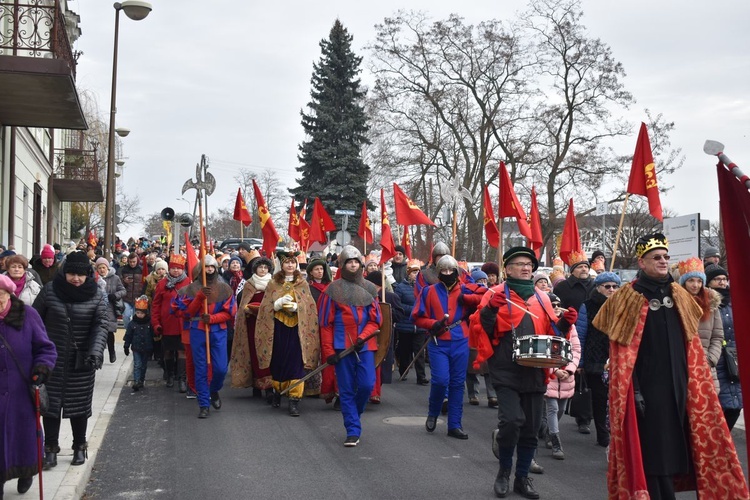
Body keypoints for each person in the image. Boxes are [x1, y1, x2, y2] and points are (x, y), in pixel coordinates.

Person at [593, 233, 748, 499]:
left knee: (679, 446)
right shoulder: (626, 297)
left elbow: (693, 345)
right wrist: (636, 390)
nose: (663, 261)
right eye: (656, 258)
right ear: (642, 263)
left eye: (666, 257)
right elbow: (623, 356)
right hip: (647, 388)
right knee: (655, 450)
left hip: (681, 384)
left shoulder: (680, 294)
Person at [470, 246, 576, 499]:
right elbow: (480, 328)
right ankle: (504, 472)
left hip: (536, 370)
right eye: (519, 264)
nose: (525, 267)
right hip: (506, 367)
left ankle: (522, 477)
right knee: (511, 421)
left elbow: (552, 334)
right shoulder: (495, 293)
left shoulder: (542, 298)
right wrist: (490, 310)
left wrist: (565, 323)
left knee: (530, 430)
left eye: (529, 264)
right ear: (507, 268)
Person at [32, 250, 108, 468]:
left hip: (81, 359)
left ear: (88, 275)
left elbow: (101, 325)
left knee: (79, 406)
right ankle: (51, 450)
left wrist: (96, 351)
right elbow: (34, 322)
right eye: (72, 274)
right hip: (51, 359)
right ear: (64, 272)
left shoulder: (97, 295)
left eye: (81, 274)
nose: (76, 278)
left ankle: (79, 447)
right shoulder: (49, 291)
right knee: (50, 406)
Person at [319, 246, 382, 446]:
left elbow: (376, 320)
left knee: (366, 385)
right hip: (341, 346)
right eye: (349, 261)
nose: (353, 264)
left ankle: (354, 413)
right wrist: (329, 352)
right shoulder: (333, 290)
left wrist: (363, 337)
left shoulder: (370, 289)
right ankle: (352, 429)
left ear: (361, 264)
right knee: (346, 389)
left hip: (365, 345)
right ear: (343, 264)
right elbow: (325, 324)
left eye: (356, 261)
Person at [0, 274, 57, 497]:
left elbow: (46, 348)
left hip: (21, 390)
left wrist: (41, 369)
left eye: (1, 295)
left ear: (9, 294)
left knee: (24, 436)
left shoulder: (27, 315)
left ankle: (27, 471)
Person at [413, 255, 478, 440]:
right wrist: (431, 323)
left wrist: (472, 299)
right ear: (438, 272)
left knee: (458, 384)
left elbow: (485, 298)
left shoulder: (466, 290)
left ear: (457, 272)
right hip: (438, 341)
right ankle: (433, 412)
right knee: (441, 380)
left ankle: (455, 425)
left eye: (451, 270)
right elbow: (417, 317)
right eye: (444, 270)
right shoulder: (428, 291)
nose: (448, 273)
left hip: (461, 340)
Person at [255, 251, 319, 416]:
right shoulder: (273, 284)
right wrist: (276, 305)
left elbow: (310, 306)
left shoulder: (302, 283)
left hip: (297, 329)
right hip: (278, 328)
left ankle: (294, 399)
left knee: (295, 362)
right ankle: (278, 391)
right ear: (281, 265)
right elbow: (264, 307)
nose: (290, 265)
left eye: (292, 262)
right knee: (279, 360)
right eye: (287, 262)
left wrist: (299, 308)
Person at [174, 255, 236, 418]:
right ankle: (203, 404)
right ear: (200, 269)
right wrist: (200, 297)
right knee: (200, 368)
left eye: (212, 267)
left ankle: (214, 390)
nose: (209, 270)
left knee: (221, 369)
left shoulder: (224, 289)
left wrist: (213, 318)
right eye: (206, 267)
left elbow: (230, 312)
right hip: (197, 330)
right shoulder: (189, 290)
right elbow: (184, 313)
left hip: (218, 331)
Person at [574, 271, 620, 449]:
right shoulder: (588, 305)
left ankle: (616, 434)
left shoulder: (623, 305)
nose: (611, 289)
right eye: (607, 286)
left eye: (615, 286)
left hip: (617, 358)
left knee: (616, 399)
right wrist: (580, 361)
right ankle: (602, 434)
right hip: (596, 358)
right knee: (600, 399)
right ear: (599, 288)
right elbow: (581, 334)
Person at [552, 250, 594, 435]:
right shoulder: (563, 288)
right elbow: (554, 306)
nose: (584, 269)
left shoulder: (594, 286)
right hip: (565, 333)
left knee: (584, 381)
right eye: (581, 267)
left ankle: (583, 418)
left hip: (589, 334)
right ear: (573, 270)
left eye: (586, 266)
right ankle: (553, 415)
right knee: (566, 376)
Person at [677, 257, 723, 395]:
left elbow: (717, 336)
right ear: (684, 282)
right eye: (691, 280)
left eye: (699, 281)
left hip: (705, 365)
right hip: (682, 364)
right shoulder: (676, 304)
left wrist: (710, 359)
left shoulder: (711, 305)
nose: (695, 285)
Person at [230, 256, 274, 400]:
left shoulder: (274, 284)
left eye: (265, 267)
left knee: (268, 353)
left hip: (269, 325)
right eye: (260, 267)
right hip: (252, 324)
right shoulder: (248, 285)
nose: (262, 270)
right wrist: (247, 310)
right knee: (254, 353)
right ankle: (256, 384)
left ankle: (269, 386)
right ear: (255, 269)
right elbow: (242, 304)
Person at [705, 263, 742, 430]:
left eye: (724, 279)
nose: (722, 283)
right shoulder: (707, 303)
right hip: (716, 360)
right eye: (717, 279)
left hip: (734, 361)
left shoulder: (735, 302)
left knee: (735, 405)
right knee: (718, 407)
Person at [364, 270, 405, 403]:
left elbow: (399, 315)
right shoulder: (362, 297)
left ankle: (376, 391)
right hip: (367, 334)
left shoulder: (390, 297)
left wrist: (387, 311)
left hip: (384, 335)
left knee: (381, 361)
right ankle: (369, 390)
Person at [152, 254, 191, 392]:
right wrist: (156, 323)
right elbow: (156, 305)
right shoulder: (162, 284)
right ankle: (169, 375)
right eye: (173, 268)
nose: (176, 271)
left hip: (182, 323)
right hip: (167, 323)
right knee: (168, 351)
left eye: (178, 269)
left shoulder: (188, 283)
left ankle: (182, 379)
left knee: (182, 351)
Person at [393, 259, 428, 385]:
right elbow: (398, 304)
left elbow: (427, 302)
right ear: (408, 274)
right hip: (405, 325)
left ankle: (421, 376)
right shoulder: (400, 288)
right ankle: (403, 371)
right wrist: (413, 310)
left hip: (419, 326)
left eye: (418, 272)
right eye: (413, 272)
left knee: (419, 352)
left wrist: (422, 310)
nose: (416, 275)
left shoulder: (424, 288)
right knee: (405, 351)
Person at [95, 257, 126, 364]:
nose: (102, 270)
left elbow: (123, 291)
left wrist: (115, 295)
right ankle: (100, 355)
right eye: (99, 268)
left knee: (109, 332)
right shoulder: (94, 278)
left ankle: (112, 352)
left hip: (111, 308)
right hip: (97, 308)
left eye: (103, 267)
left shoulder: (115, 278)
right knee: (99, 332)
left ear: (107, 268)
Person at [123, 295, 154, 391]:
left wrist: (154, 347)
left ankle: (141, 380)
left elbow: (152, 335)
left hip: (146, 347)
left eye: (141, 313)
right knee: (137, 364)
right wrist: (126, 346)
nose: (139, 315)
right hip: (136, 347)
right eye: (137, 312)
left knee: (143, 365)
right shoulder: (132, 324)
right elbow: (128, 335)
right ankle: (136, 381)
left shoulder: (149, 323)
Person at [117, 252, 143, 332]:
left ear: (137, 261)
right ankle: (129, 331)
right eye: (130, 262)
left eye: (134, 262)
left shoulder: (141, 269)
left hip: (138, 298)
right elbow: (118, 283)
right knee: (126, 315)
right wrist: (124, 281)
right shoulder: (123, 269)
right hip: (126, 298)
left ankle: (135, 332)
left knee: (137, 317)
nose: (132, 264)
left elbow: (145, 283)